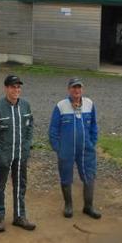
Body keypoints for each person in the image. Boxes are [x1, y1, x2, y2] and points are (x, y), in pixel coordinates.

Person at [0, 75, 36, 233]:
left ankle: (19, 217)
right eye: (13, 87)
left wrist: (27, 146)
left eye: (18, 87)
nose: (16, 90)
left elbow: (30, 126)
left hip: (20, 156)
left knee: (20, 185)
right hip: (3, 156)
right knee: (0, 186)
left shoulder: (26, 106)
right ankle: (0, 217)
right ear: (6, 88)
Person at [48, 78, 101, 219]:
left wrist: (92, 141)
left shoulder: (89, 104)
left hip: (86, 149)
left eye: (79, 88)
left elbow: (94, 125)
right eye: (73, 88)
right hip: (66, 150)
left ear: (82, 89)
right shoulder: (61, 106)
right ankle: (68, 205)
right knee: (66, 177)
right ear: (69, 89)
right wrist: (58, 148)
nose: (76, 90)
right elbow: (53, 129)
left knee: (89, 176)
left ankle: (88, 207)